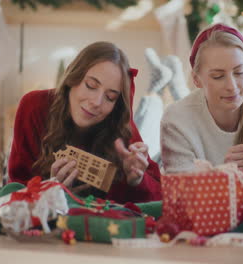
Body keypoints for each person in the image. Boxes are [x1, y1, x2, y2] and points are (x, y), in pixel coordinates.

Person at [8, 41, 162, 203]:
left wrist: (136, 180)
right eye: (91, 85)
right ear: (73, 79)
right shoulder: (34, 107)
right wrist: (47, 191)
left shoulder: (118, 124)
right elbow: (15, 188)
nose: (97, 102)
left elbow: (160, 196)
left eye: (110, 97)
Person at [160, 24, 243, 200]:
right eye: (218, 76)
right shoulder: (176, 120)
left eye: (239, 72)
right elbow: (179, 200)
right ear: (196, 80)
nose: (232, 86)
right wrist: (222, 176)